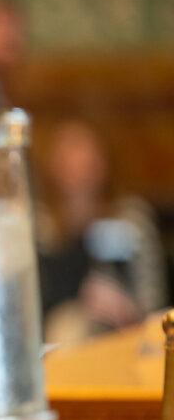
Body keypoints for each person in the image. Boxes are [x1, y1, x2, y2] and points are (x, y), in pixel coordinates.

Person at [37, 119, 168, 342]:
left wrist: (125, 308)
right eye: (68, 152)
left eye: (85, 152)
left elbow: (154, 304)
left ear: (103, 160)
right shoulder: (42, 227)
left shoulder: (128, 219)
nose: (77, 165)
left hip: (125, 339)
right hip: (58, 345)